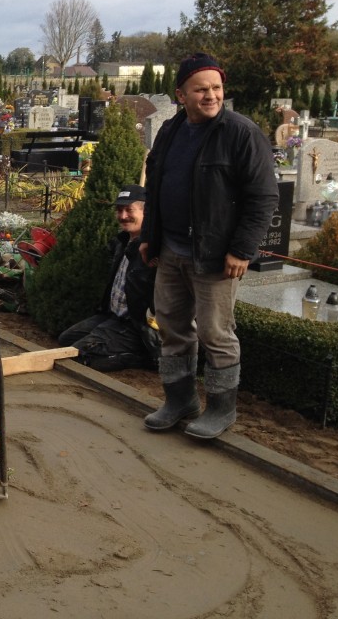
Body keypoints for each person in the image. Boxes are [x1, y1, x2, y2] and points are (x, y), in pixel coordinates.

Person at [139, 53, 278, 439]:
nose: (211, 95)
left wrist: (243, 249)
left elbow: (263, 197)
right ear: (181, 94)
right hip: (171, 250)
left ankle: (221, 408)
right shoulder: (171, 130)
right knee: (171, 328)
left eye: (216, 88)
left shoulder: (241, 133)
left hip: (215, 256)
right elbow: (156, 186)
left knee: (216, 334)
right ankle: (180, 400)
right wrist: (150, 235)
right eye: (201, 89)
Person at [58, 184, 160, 372]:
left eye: (129, 210)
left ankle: (144, 357)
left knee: (80, 356)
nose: (123, 216)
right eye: (119, 210)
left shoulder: (153, 250)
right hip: (113, 317)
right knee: (66, 341)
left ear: (147, 212)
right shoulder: (122, 241)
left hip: (136, 325)